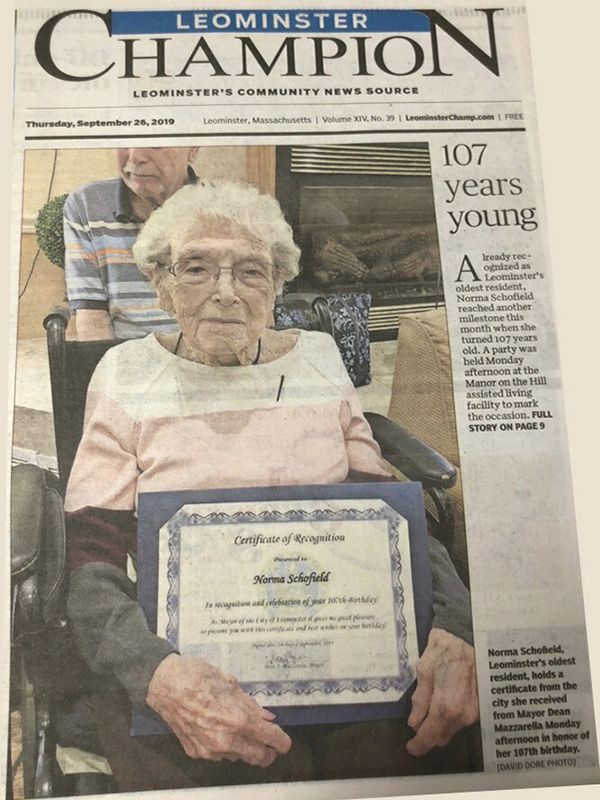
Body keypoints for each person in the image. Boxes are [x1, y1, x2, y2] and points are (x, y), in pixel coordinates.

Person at [65, 180, 479, 791]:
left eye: (251, 271)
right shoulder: (125, 373)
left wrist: (456, 623)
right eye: (197, 267)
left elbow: (390, 516)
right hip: (189, 664)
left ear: (279, 285)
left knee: (416, 754)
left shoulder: (316, 357)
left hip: (342, 644)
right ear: (159, 281)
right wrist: (156, 673)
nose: (226, 293)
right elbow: (90, 560)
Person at [63, 146, 199, 341]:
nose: (135, 157)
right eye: (125, 139)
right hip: (126, 358)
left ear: (193, 149)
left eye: (156, 142)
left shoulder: (222, 209)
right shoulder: (87, 205)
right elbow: (93, 317)